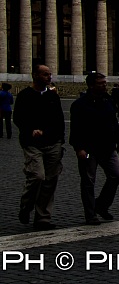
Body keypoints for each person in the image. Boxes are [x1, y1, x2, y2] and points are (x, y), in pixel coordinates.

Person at [13, 64, 65, 230]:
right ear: (34, 75)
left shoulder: (53, 96)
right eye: (45, 74)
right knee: (37, 176)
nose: (49, 77)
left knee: (50, 181)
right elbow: (18, 118)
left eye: (50, 74)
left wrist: (59, 139)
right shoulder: (24, 95)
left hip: (53, 143)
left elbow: (59, 120)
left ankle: (43, 218)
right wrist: (30, 130)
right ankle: (26, 206)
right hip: (32, 142)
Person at [70, 72, 119, 225]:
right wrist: (79, 148)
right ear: (91, 85)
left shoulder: (108, 100)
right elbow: (75, 129)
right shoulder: (79, 104)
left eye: (105, 83)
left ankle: (101, 205)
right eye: (101, 83)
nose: (104, 85)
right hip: (88, 151)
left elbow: (114, 123)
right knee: (88, 181)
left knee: (116, 175)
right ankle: (90, 214)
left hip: (108, 147)